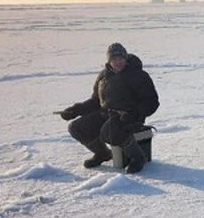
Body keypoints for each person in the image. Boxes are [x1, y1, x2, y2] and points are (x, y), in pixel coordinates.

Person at [59, 43, 160, 174]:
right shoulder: (103, 76)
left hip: (129, 117)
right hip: (106, 114)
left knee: (109, 131)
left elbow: (151, 101)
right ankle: (103, 154)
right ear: (109, 60)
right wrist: (75, 110)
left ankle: (138, 157)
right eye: (114, 59)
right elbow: (95, 101)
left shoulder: (139, 75)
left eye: (121, 58)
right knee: (76, 127)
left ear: (126, 58)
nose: (118, 62)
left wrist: (135, 113)